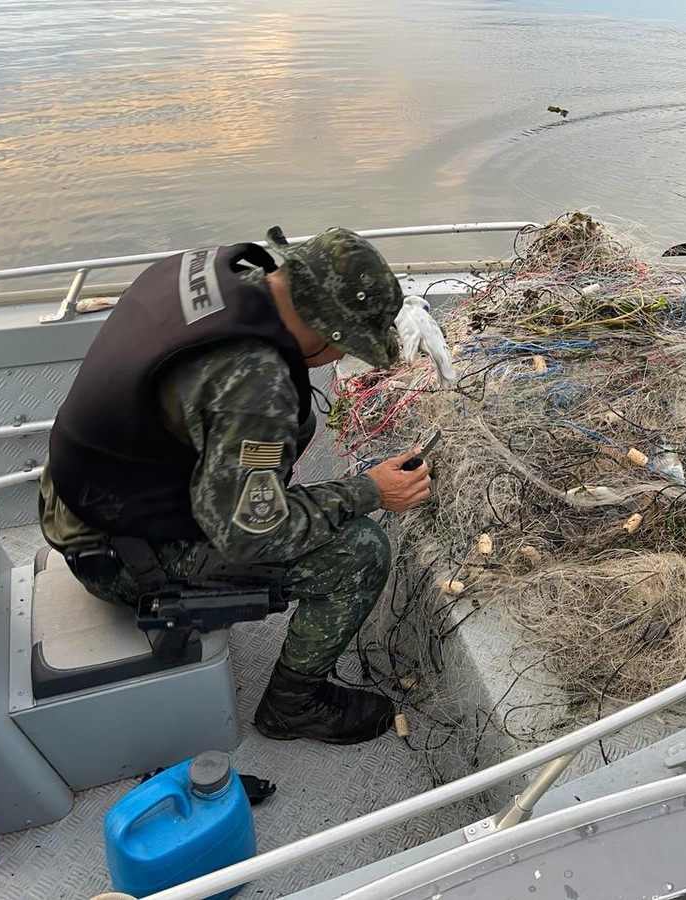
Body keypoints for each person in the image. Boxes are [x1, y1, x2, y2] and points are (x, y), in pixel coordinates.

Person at [39, 227, 433, 744]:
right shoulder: (254, 383)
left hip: (78, 501)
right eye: (345, 345)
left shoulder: (213, 271)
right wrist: (369, 491)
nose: (341, 357)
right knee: (360, 552)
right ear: (323, 329)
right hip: (116, 556)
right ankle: (294, 707)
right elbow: (252, 536)